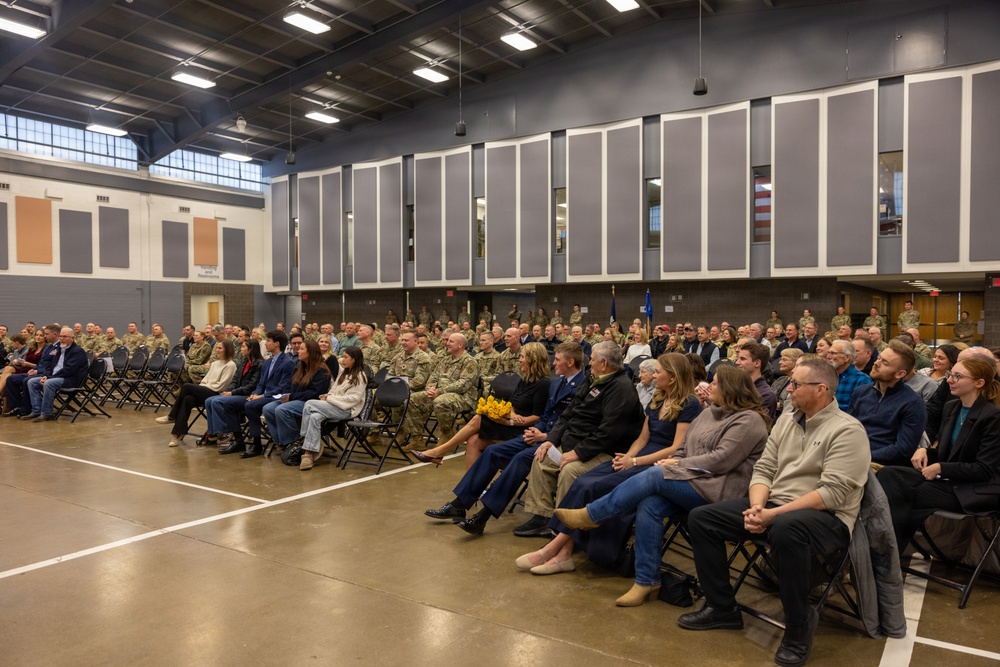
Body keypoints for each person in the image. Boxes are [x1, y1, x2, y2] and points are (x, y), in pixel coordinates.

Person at [677, 357, 870, 667]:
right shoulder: (787, 420)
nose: (788, 389)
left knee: (786, 528)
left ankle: (798, 626)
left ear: (820, 389)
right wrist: (757, 506)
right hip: (775, 506)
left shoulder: (847, 430)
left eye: (796, 384)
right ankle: (722, 608)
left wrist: (771, 515)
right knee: (703, 518)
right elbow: (764, 468)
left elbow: (832, 494)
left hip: (827, 517)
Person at [552, 365, 769, 607]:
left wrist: (677, 464)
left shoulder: (749, 420)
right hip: (691, 481)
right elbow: (684, 447)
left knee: (654, 475)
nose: (709, 386)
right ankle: (647, 581)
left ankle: (593, 514)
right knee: (650, 504)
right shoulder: (709, 413)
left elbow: (721, 460)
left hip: (720, 491)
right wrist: (677, 461)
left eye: (715, 383)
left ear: (731, 388)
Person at [520, 354, 704, 578]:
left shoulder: (690, 404)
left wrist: (634, 461)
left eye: (657, 372)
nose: (653, 376)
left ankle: (556, 549)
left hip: (659, 463)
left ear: (673, 377)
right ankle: (563, 551)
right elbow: (642, 439)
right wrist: (627, 457)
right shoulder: (658, 399)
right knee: (583, 481)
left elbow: (676, 447)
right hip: (640, 455)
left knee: (595, 486)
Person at [422, 342, 585, 535]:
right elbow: (546, 416)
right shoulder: (558, 383)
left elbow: (575, 422)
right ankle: (459, 504)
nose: (553, 363)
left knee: (520, 459)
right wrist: (535, 431)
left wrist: (545, 436)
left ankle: (482, 517)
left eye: (557, 359)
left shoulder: (581, 385)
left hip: (558, 442)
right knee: (492, 451)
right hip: (538, 435)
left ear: (570, 362)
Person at [511, 341, 645, 538]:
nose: (589, 363)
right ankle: (542, 517)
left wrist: (577, 453)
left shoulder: (621, 389)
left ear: (604, 363)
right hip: (577, 441)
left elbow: (608, 433)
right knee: (541, 458)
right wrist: (551, 440)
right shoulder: (592, 379)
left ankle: (563, 530)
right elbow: (568, 413)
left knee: (569, 470)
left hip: (605, 450)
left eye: (593, 360)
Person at [879, 356, 1000, 552]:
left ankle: (887, 552)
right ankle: (888, 550)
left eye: (958, 376)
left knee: (904, 493)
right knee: (888, 474)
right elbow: (949, 453)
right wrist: (925, 451)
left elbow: (984, 469)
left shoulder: (992, 417)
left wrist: (941, 468)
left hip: (975, 489)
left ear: (979, 383)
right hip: (949, 481)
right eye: (951, 374)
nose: (949, 380)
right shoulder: (952, 407)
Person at [413, 342, 551, 467]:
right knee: (473, 440)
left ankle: (439, 451)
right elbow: (512, 404)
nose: (519, 360)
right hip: (511, 422)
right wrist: (512, 414)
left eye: (523, 357)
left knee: (478, 418)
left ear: (533, 359)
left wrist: (512, 422)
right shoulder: (525, 380)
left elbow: (538, 417)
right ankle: (470, 484)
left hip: (524, 430)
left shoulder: (543, 384)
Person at [848, 340, 926, 468]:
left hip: (881, 465)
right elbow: (847, 429)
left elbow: (903, 449)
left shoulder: (913, 403)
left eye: (885, 363)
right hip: (851, 456)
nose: (876, 363)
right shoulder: (861, 392)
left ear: (900, 374)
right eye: (879, 358)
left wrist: (863, 456)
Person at [298, 346, 369, 470]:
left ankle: (303, 440)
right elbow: (333, 390)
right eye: (343, 356)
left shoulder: (360, 376)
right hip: (334, 406)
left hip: (347, 410)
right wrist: (328, 396)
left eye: (346, 357)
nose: (343, 359)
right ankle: (308, 454)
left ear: (354, 359)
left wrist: (330, 399)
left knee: (309, 404)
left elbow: (354, 399)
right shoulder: (344, 373)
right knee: (314, 417)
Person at [157, 340, 236, 447]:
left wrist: (203, 387)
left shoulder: (231, 365)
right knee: (187, 399)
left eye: (220, 348)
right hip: (206, 390)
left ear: (227, 350)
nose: (217, 350)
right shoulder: (215, 363)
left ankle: (172, 416)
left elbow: (221, 386)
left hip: (217, 394)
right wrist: (203, 387)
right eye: (217, 348)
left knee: (187, 386)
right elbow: (204, 380)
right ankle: (177, 433)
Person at [262, 339, 332, 453]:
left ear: (310, 352)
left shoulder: (321, 370)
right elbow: (289, 385)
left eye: (302, 349)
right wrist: (285, 395)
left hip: (310, 402)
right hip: (294, 399)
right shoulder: (299, 367)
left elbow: (314, 393)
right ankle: (280, 441)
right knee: (268, 408)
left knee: (282, 410)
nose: (298, 351)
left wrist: (291, 397)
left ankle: (293, 442)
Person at [22, 327, 88, 422]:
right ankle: (36, 411)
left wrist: (49, 378)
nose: (62, 339)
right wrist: (45, 375)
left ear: (72, 338)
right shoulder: (60, 349)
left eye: (65, 337)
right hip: (55, 377)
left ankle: (47, 413)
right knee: (31, 382)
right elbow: (51, 366)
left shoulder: (77, 351)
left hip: (70, 379)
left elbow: (68, 370)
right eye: (61, 336)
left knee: (48, 383)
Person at [211, 340, 264, 453]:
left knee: (227, 402)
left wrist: (233, 393)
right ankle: (232, 437)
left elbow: (252, 386)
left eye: (243, 347)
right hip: (240, 393)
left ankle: (232, 435)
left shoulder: (260, 364)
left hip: (250, 394)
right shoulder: (243, 362)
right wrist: (229, 390)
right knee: (213, 400)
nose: (241, 349)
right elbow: (235, 379)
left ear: (250, 349)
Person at [771, 348, 804, 417]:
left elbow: (791, 405)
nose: (780, 362)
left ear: (796, 362)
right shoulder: (781, 379)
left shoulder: (799, 383)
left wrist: (771, 404)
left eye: (784, 360)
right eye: (781, 359)